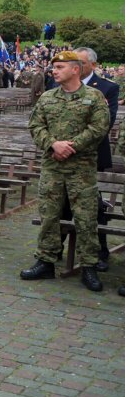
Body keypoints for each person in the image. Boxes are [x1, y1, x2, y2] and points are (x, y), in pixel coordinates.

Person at [21, 51, 109, 292]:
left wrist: (72, 146)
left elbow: (99, 127)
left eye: (60, 67)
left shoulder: (94, 97)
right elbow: (35, 125)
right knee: (49, 215)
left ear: (75, 69)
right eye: (54, 67)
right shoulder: (48, 98)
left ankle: (88, 265)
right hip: (52, 167)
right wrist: (53, 144)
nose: (54, 71)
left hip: (81, 170)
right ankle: (46, 261)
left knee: (85, 218)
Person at [77, 47, 119, 271]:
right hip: (63, 157)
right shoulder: (58, 85)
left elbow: (105, 122)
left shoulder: (107, 88)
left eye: (81, 63)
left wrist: (73, 143)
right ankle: (54, 250)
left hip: (92, 155)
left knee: (95, 205)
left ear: (93, 65)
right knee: (61, 204)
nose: (76, 67)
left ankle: (99, 251)